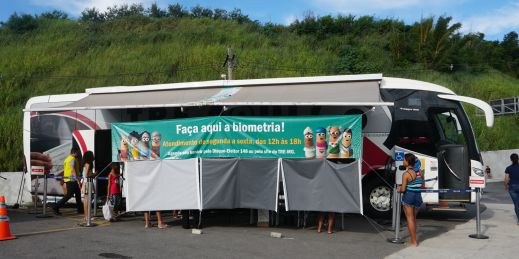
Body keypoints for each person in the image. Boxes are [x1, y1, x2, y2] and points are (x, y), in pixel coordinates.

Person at [398, 153, 424, 246]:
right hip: (418, 197)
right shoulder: (420, 172)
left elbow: (403, 189)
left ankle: (413, 241)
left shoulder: (406, 174)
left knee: (410, 219)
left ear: (408, 162)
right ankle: (413, 239)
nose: (403, 161)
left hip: (409, 196)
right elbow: (422, 185)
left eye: (404, 160)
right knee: (413, 219)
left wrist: (399, 189)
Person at [53, 147, 83, 215]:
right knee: (69, 195)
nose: (78, 154)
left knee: (78, 195)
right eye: (77, 153)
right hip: (72, 180)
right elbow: (72, 169)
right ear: (75, 152)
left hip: (69, 179)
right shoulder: (72, 159)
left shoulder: (67, 159)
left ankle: (80, 209)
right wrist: (78, 180)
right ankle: (56, 206)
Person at [504, 153, 519, 225]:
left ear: (511, 160)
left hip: (512, 187)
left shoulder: (508, 168)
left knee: (516, 204)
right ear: (518, 158)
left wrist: (506, 186)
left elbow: (506, 179)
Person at [81, 151, 95, 221]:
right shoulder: (88, 164)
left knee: (87, 199)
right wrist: (95, 174)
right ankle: (87, 216)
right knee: (87, 199)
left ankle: (86, 216)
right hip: (88, 183)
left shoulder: (86, 164)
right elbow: (87, 175)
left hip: (86, 182)